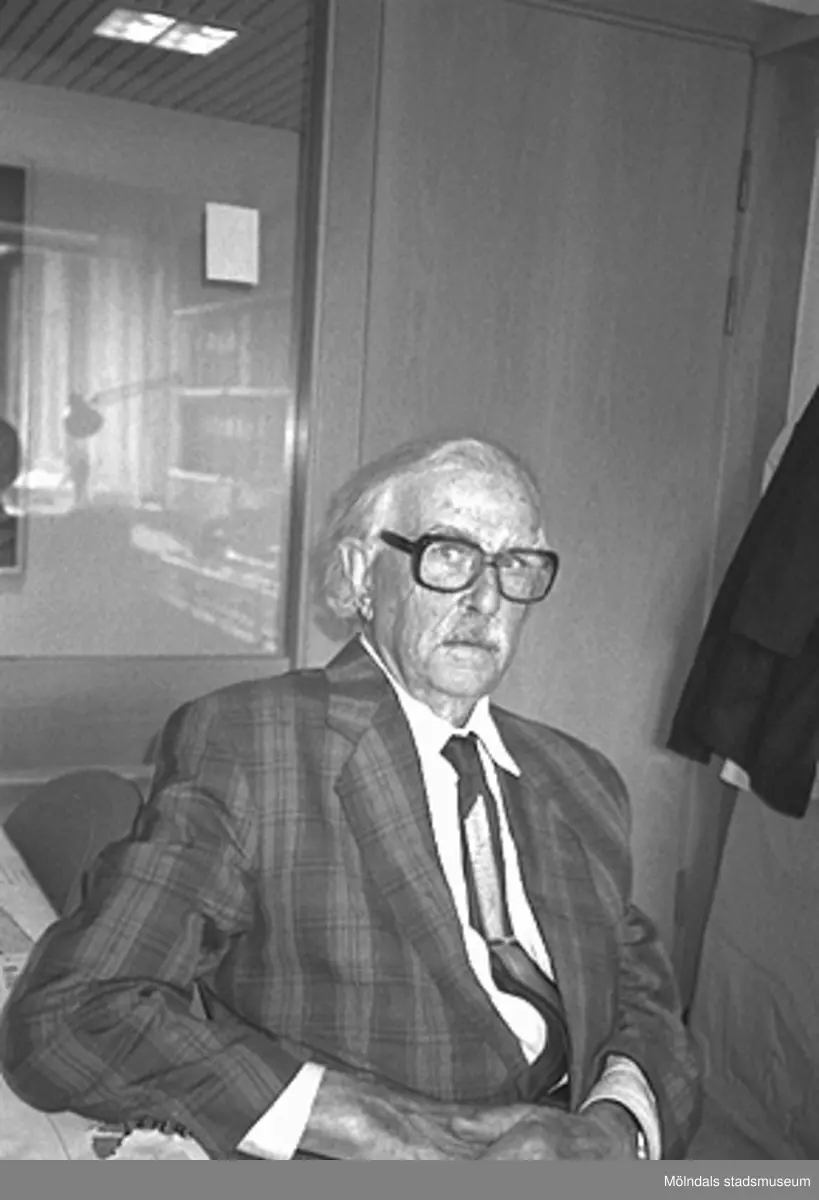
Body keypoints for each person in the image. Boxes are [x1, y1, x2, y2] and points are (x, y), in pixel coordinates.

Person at [0, 435, 700, 1160]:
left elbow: (645, 1003)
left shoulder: (580, 778)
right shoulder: (251, 743)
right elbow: (72, 1015)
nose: (486, 599)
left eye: (516, 564)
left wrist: (615, 1128)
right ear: (363, 575)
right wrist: (376, 1125)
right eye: (449, 554)